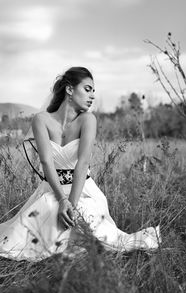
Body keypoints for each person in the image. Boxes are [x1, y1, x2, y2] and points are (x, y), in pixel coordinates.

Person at [0, 67, 161, 261]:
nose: (92, 95)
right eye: (88, 89)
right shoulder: (41, 120)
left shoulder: (88, 120)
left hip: (83, 190)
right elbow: (46, 162)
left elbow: (83, 163)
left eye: (94, 91)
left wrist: (72, 205)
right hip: (52, 189)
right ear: (69, 90)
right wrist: (62, 200)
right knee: (46, 210)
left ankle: (77, 242)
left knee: (86, 217)